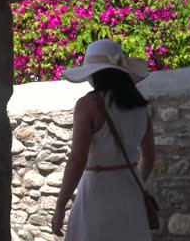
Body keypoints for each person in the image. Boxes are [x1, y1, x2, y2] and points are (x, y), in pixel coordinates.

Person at [51, 39, 156, 241]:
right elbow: (149, 157)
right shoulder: (142, 107)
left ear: (94, 73)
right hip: (130, 191)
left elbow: (77, 160)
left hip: (97, 192)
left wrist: (60, 206)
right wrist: (135, 184)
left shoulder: (88, 105)